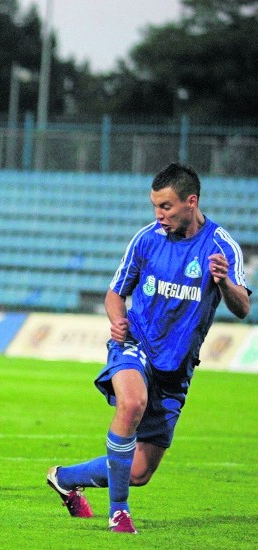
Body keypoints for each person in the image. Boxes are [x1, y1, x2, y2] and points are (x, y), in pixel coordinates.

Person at [46, 163, 251, 534]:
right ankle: (119, 514)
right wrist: (116, 319)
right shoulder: (147, 238)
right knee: (131, 402)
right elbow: (115, 293)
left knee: (139, 472)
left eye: (166, 207)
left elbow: (243, 308)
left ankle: (64, 477)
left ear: (191, 202)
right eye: (155, 206)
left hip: (177, 366)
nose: (159, 215)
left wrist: (224, 283)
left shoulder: (222, 247)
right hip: (135, 342)